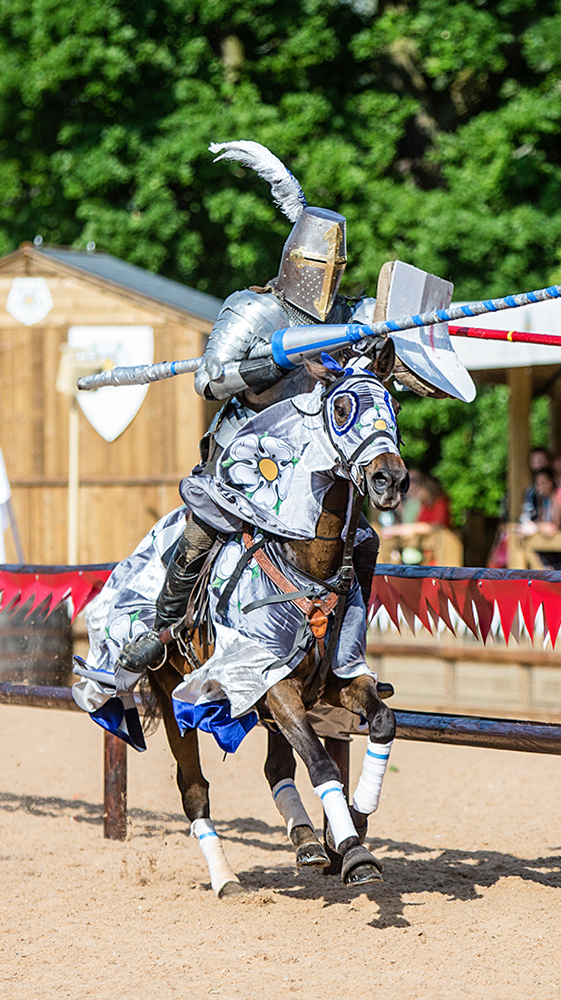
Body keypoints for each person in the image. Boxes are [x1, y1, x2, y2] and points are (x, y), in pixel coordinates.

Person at [113, 140, 385, 677]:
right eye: (318, 267)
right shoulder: (253, 309)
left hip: (312, 459)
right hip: (248, 450)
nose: (327, 279)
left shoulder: (348, 315)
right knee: (205, 525)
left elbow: (382, 367)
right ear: (295, 264)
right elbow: (210, 381)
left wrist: (382, 342)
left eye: (335, 268)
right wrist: (281, 359)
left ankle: (343, 657)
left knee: (361, 541)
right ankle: (163, 630)